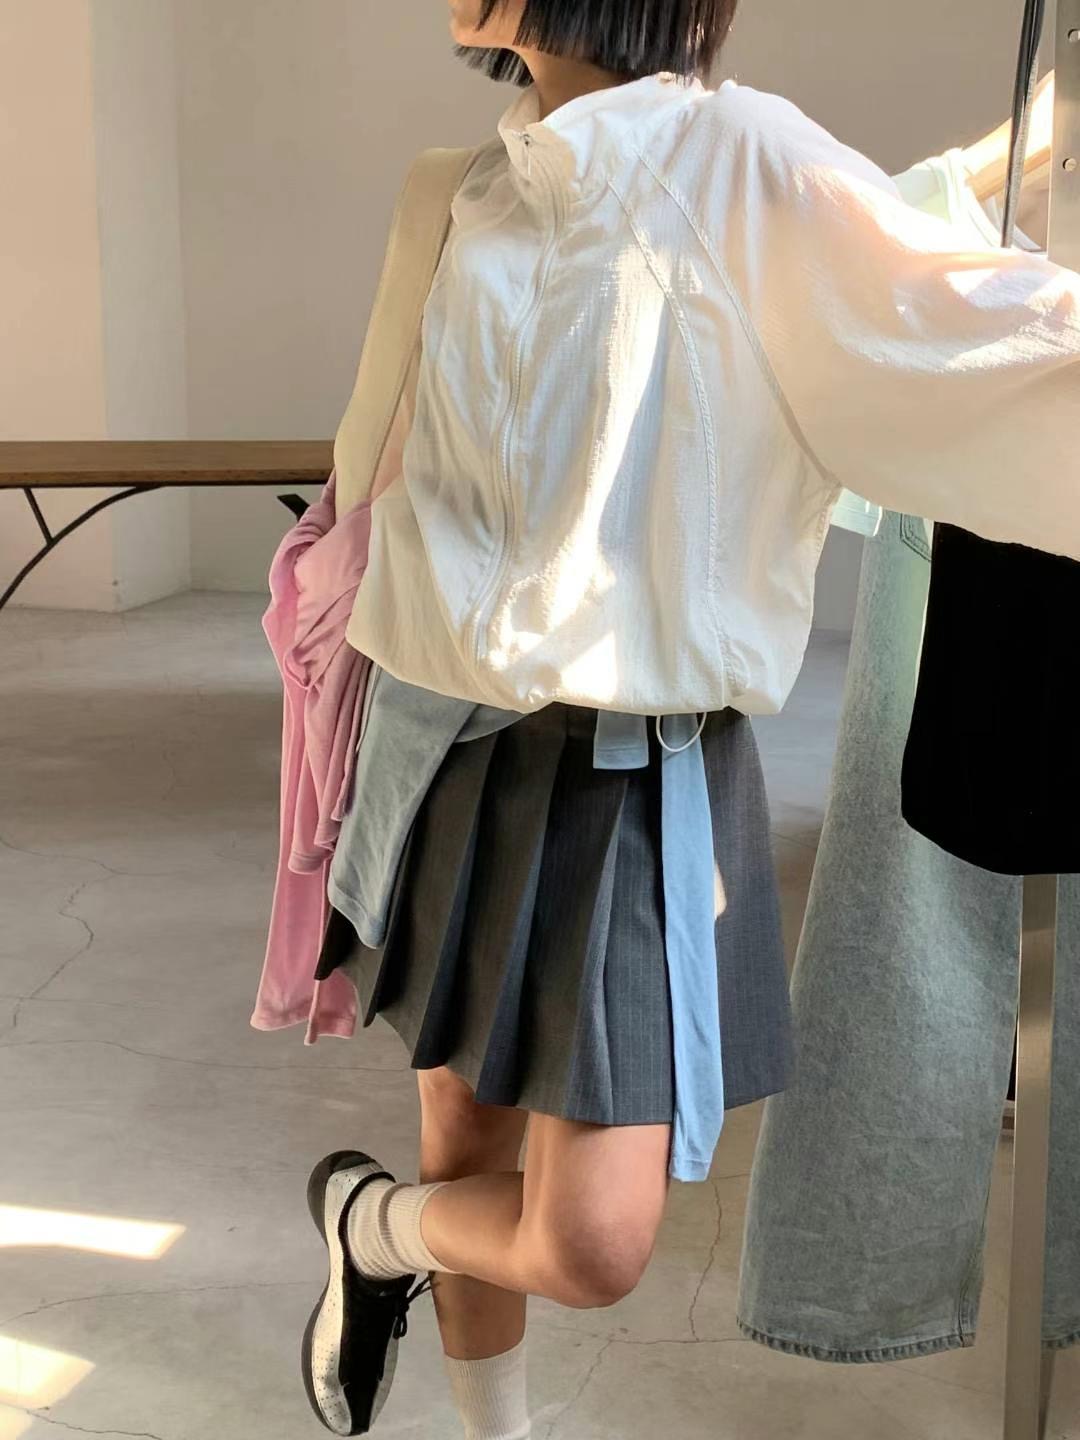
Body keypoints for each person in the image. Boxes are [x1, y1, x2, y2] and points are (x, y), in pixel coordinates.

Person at [297, 2, 1080, 1436]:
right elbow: (378, 481)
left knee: (589, 1240)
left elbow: (988, 341)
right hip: (436, 743)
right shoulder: (459, 187)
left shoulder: (751, 165)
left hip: (630, 775)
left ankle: (369, 1230)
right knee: (462, 1130)